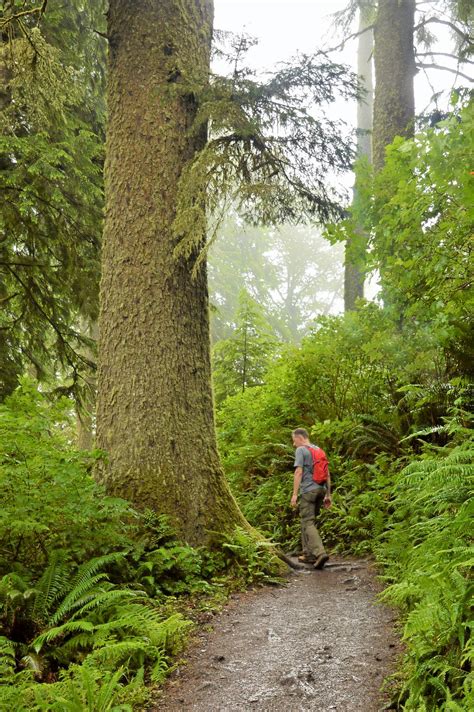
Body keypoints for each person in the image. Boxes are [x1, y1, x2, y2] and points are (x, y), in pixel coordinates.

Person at [291, 427, 332, 569]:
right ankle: (308, 554)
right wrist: (328, 494)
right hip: (321, 490)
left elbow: (298, 471)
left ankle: (320, 553)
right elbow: (327, 474)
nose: (293, 444)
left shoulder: (301, 450)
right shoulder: (319, 450)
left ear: (300, 438)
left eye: (294, 440)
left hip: (308, 491)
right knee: (308, 521)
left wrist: (295, 494)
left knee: (308, 522)